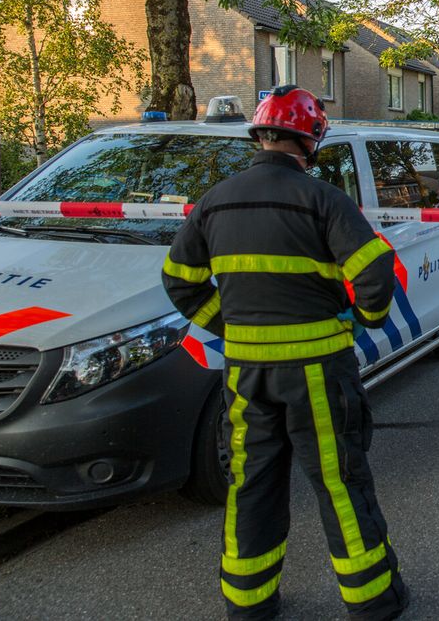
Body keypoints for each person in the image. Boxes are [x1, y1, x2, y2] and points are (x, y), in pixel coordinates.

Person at [162, 86, 411, 621]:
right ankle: (372, 602)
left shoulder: (216, 200)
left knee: (251, 484)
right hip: (318, 374)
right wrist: (362, 322)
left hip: (246, 375)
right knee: (339, 483)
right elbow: (374, 273)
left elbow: (179, 281)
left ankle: (248, 603)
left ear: (260, 135)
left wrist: (230, 327)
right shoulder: (322, 199)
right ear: (311, 139)